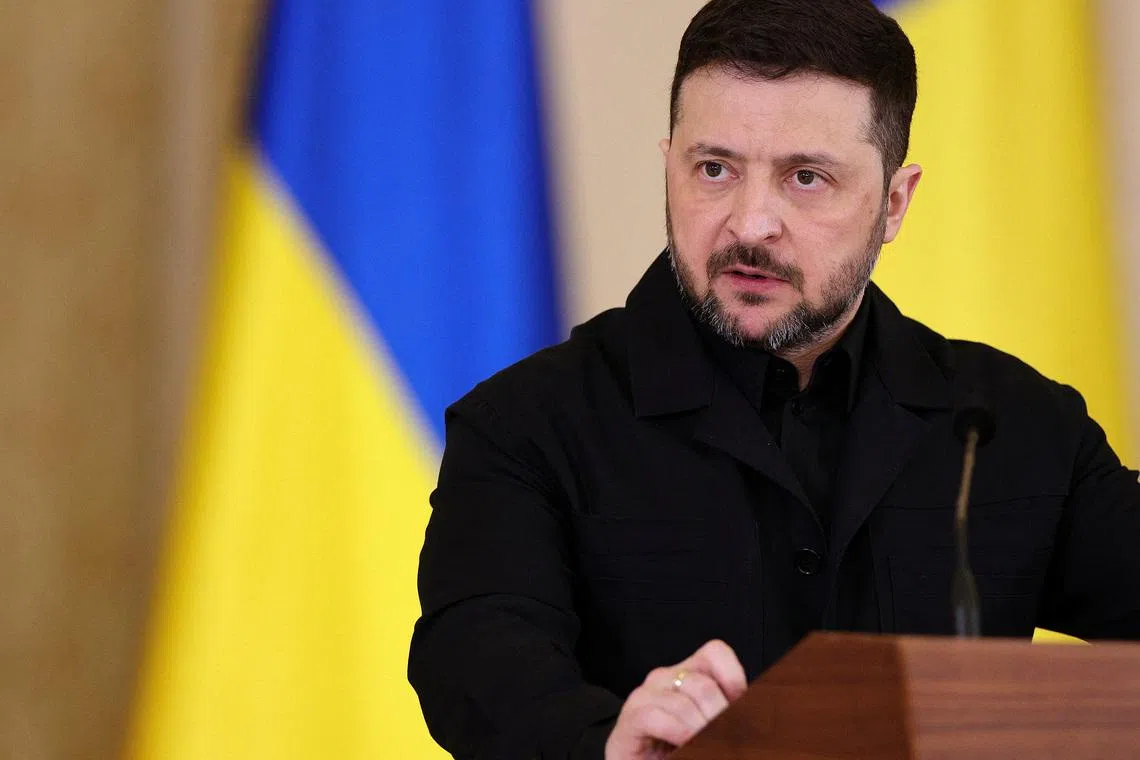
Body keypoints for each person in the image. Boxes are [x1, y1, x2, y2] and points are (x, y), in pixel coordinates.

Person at [408, 1, 1140, 758]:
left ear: (894, 202)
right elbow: (477, 657)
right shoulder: (525, 425)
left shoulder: (1011, 425)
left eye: (806, 178)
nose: (750, 224)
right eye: (715, 169)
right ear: (669, 166)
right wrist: (602, 743)